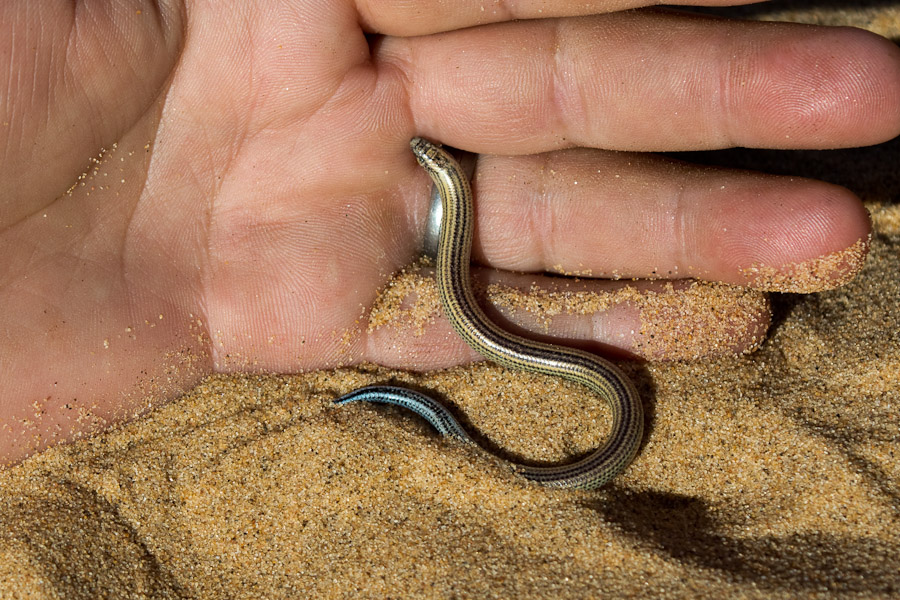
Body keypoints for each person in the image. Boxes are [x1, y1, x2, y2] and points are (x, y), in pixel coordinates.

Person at [1, 0, 898, 464]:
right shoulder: (433, 174)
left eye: (435, 157)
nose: (434, 155)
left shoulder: (439, 178)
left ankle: (523, 438)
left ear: (439, 173)